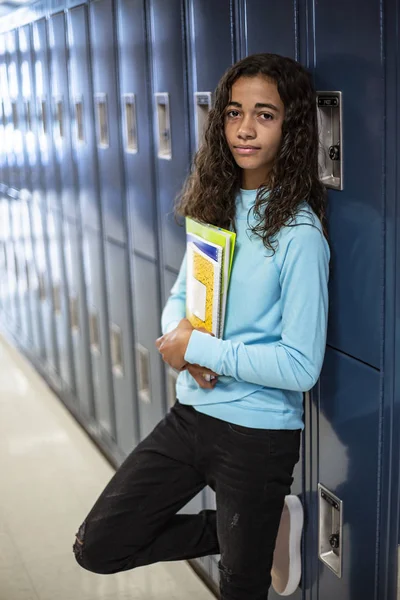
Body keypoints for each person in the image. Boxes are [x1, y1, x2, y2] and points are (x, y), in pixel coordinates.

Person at [73, 53, 330, 600]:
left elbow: (301, 366)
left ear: (294, 126)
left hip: (258, 435)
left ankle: (255, 535)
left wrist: (205, 350)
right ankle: (262, 529)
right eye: (235, 112)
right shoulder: (217, 203)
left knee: (239, 587)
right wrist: (181, 345)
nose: (244, 128)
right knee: (98, 545)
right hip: (191, 416)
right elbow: (181, 296)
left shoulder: (300, 235)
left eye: (265, 115)